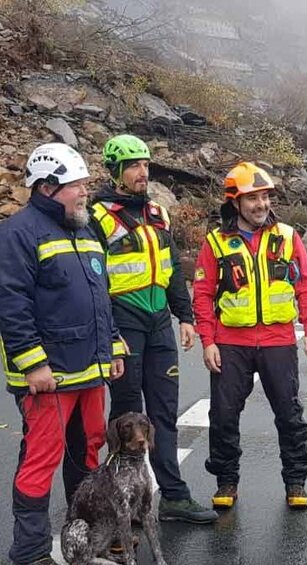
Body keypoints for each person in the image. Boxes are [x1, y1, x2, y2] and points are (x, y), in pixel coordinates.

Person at [0, 142, 126, 565]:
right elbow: (12, 308)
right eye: (78, 185)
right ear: (48, 188)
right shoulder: (17, 234)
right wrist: (33, 366)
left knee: (87, 456)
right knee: (40, 460)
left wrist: (114, 346)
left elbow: (101, 299)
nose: (86, 192)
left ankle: (81, 537)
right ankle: (27, 557)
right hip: (48, 377)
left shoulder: (85, 232)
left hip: (89, 370)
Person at [90, 134, 217, 524]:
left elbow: (173, 269)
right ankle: (120, 503)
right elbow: (93, 283)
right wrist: (108, 335)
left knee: (163, 414)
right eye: (132, 165)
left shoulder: (158, 214)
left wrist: (186, 315)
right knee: (127, 417)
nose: (142, 172)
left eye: (145, 164)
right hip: (123, 319)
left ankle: (174, 497)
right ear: (115, 171)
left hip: (159, 320)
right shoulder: (97, 217)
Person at [191, 162, 307, 510]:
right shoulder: (216, 243)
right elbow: (202, 294)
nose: (261, 204)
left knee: (289, 414)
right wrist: (208, 341)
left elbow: (306, 284)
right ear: (235, 203)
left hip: (278, 341)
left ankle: (296, 481)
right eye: (252, 198)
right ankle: (226, 481)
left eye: (264, 197)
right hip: (231, 343)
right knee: (223, 416)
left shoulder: (288, 236)